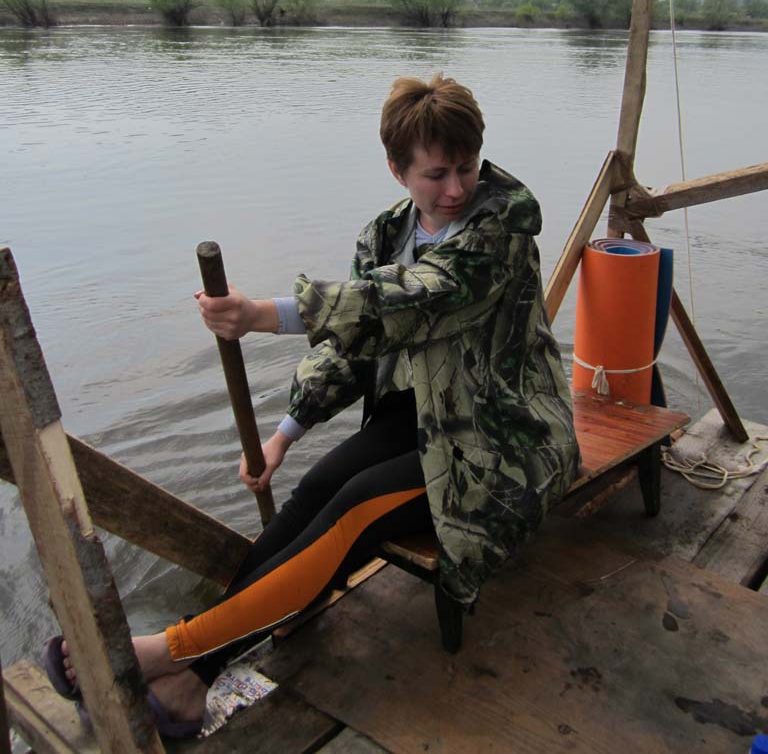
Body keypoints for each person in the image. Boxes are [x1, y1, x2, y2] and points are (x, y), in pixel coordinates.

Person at [45, 73, 579, 738]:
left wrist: (261, 314)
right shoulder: (386, 234)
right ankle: (192, 679)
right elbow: (354, 347)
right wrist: (285, 434)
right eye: (437, 174)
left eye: (467, 168)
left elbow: (403, 302)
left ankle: (175, 654)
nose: (456, 189)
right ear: (397, 170)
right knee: (315, 492)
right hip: (422, 418)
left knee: (352, 513)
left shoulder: (500, 231)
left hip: (502, 439)